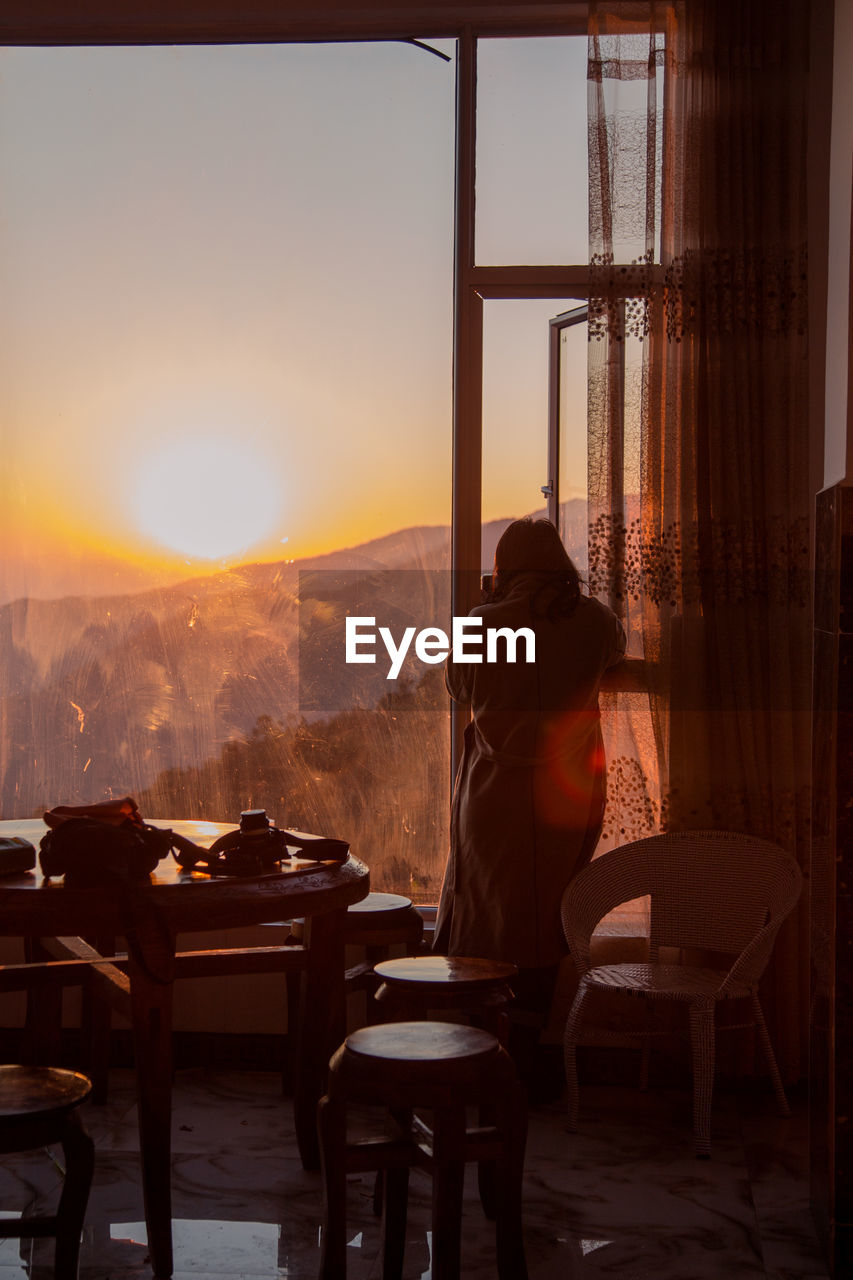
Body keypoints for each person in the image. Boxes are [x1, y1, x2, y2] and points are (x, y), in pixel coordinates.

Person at [433, 518, 626, 1092]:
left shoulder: (483, 623)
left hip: (494, 796)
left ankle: (480, 1056)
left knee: (484, 917)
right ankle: (528, 1067)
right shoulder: (593, 622)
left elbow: (458, 687)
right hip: (564, 797)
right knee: (545, 921)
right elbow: (613, 653)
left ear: (505, 566)